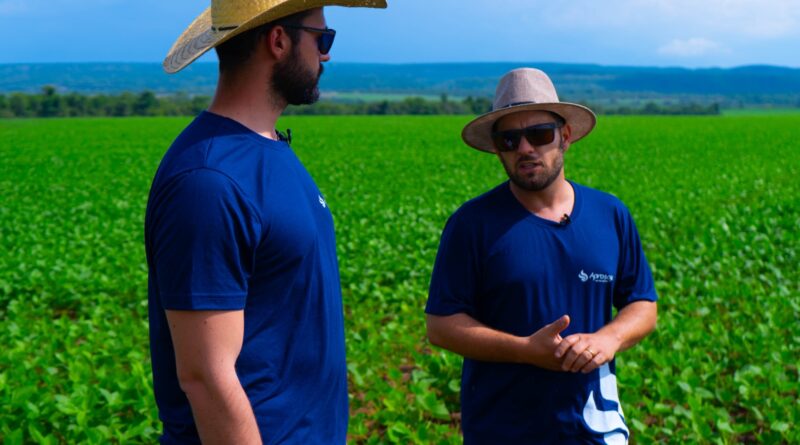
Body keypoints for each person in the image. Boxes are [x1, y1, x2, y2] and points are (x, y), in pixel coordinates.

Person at [145, 1, 386, 443]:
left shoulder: (268, 148)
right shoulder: (209, 180)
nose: (326, 55)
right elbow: (205, 377)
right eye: (322, 39)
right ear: (278, 41)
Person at [425, 68, 658, 445]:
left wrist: (609, 338)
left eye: (539, 134)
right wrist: (524, 351)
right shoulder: (472, 224)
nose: (525, 149)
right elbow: (441, 324)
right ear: (498, 148)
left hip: (596, 428)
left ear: (564, 136)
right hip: (504, 431)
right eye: (509, 139)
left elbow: (642, 303)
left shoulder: (610, 214)